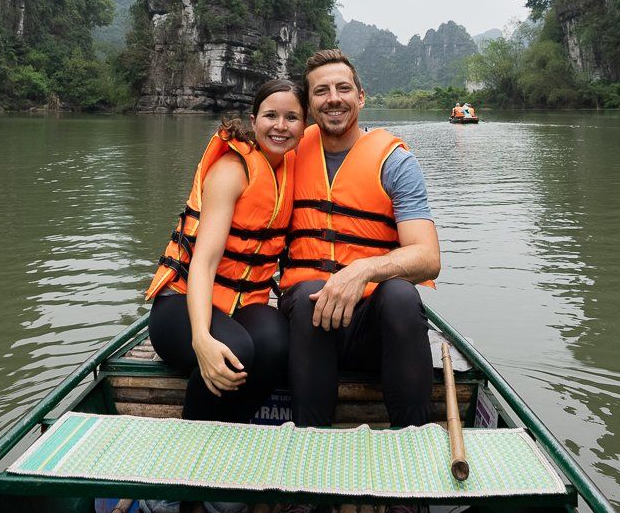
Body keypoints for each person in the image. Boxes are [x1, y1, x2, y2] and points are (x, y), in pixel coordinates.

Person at [279, 49, 442, 429]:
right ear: (308, 104)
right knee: (307, 295)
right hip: (306, 323)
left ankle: (413, 438)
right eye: (321, 91)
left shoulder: (395, 162)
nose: (333, 98)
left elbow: (428, 257)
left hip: (373, 328)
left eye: (343, 88)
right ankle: (312, 442)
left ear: (361, 96)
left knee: (401, 296)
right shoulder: (286, 152)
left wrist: (363, 271)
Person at [145, 79, 305, 422]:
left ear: (304, 125)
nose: (280, 126)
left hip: (241, 304)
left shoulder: (292, 168)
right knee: (235, 350)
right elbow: (203, 263)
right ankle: (195, 436)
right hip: (182, 305)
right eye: (270, 115)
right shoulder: (232, 170)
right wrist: (201, 338)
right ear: (254, 119)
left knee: (278, 344)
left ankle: (232, 428)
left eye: (292, 117)